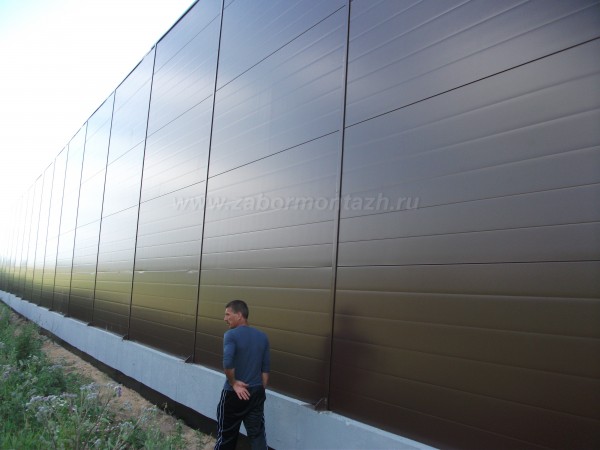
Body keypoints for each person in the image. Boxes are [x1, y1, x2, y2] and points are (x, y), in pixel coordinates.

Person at [215, 300, 270, 450]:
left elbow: (227, 362)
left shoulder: (230, 335)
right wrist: (259, 390)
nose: (225, 318)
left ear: (239, 315)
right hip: (256, 393)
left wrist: (234, 383)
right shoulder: (263, 337)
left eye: (228, 314)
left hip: (234, 395)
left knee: (226, 436)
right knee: (257, 436)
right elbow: (265, 369)